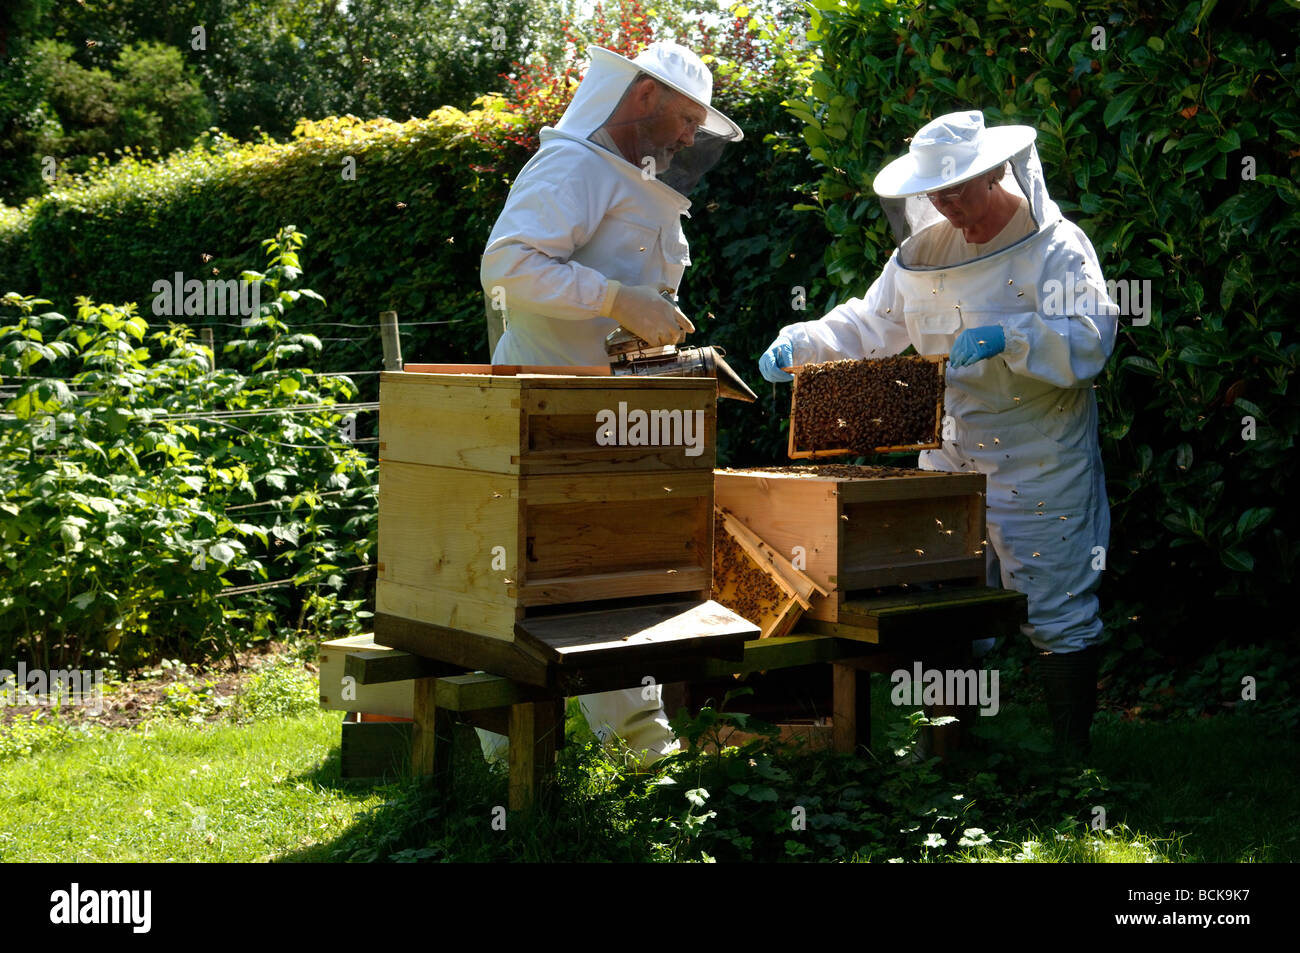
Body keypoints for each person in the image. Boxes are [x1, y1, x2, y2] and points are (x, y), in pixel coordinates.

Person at [759, 111, 1118, 755]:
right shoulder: (925, 251)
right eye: (935, 196)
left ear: (995, 173)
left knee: (1057, 606)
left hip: (1041, 458)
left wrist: (1012, 335)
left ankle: (1072, 766)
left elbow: (1090, 339)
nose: (947, 208)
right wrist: (802, 342)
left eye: (958, 192)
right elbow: (869, 324)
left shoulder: (1057, 247)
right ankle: (947, 757)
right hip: (949, 454)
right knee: (940, 603)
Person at [478, 41, 743, 764]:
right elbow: (505, 266)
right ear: (643, 97)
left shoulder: (642, 183)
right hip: (547, 404)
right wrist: (615, 299)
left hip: (611, 413)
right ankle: (607, 761)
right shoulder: (572, 164)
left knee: (601, 576)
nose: (692, 136)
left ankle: (601, 760)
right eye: (686, 117)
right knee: (563, 581)